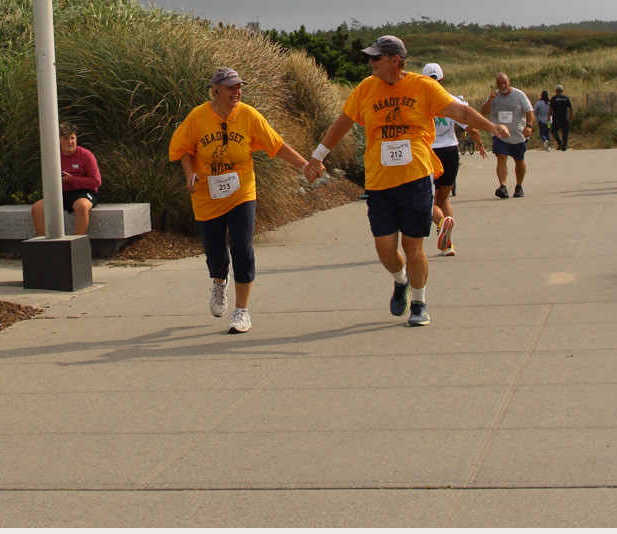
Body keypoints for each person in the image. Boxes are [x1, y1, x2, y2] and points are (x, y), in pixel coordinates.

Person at [302, 35, 509, 327]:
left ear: (395, 60)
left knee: (414, 245)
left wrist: (491, 127)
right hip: (379, 181)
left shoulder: (424, 87)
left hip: (416, 178)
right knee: (385, 249)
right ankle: (401, 281)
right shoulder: (366, 88)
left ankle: (420, 302)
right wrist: (317, 156)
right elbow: (343, 122)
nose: (370, 62)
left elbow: (461, 111)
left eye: (376, 57)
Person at [168, 67, 309, 334]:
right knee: (215, 254)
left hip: (241, 192)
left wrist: (304, 165)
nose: (237, 91)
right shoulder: (198, 116)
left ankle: (241, 311)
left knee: (242, 249)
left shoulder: (248, 115)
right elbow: (183, 148)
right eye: (230, 87)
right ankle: (219, 282)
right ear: (216, 90)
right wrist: (189, 174)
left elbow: (276, 145)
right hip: (207, 195)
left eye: (239, 87)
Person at [420, 62, 487, 257]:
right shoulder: (453, 101)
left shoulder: (418, 101)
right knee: (444, 198)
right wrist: (480, 144)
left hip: (428, 153)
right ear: (442, 79)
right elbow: (471, 128)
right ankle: (447, 244)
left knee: (427, 200)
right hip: (450, 151)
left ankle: (441, 223)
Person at [31, 123, 102, 237]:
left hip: (84, 193)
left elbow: (96, 181)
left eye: (72, 138)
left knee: (81, 206)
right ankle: (45, 244)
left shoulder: (86, 155)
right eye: (66, 138)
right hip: (61, 193)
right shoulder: (54, 156)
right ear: (58, 140)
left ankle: (78, 243)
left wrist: (72, 180)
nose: (70, 142)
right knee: (37, 208)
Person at [480, 73, 534, 197]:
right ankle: (503, 186)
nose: (502, 86)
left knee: (519, 160)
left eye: (504, 83)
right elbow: (484, 111)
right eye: (499, 83)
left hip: (518, 135)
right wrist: (490, 100)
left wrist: (529, 126)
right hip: (500, 135)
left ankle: (519, 186)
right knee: (501, 157)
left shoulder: (519, 95)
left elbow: (529, 112)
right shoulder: (493, 96)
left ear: (509, 82)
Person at [550, 85, 573, 151]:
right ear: (562, 91)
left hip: (556, 117)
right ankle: (564, 147)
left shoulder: (554, 98)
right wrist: (570, 116)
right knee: (565, 132)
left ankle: (560, 142)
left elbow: (551, 108)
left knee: (554, 130)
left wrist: (549, 116)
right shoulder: (566, 98)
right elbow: (570, 108)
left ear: (556, 91)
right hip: (565, 117)